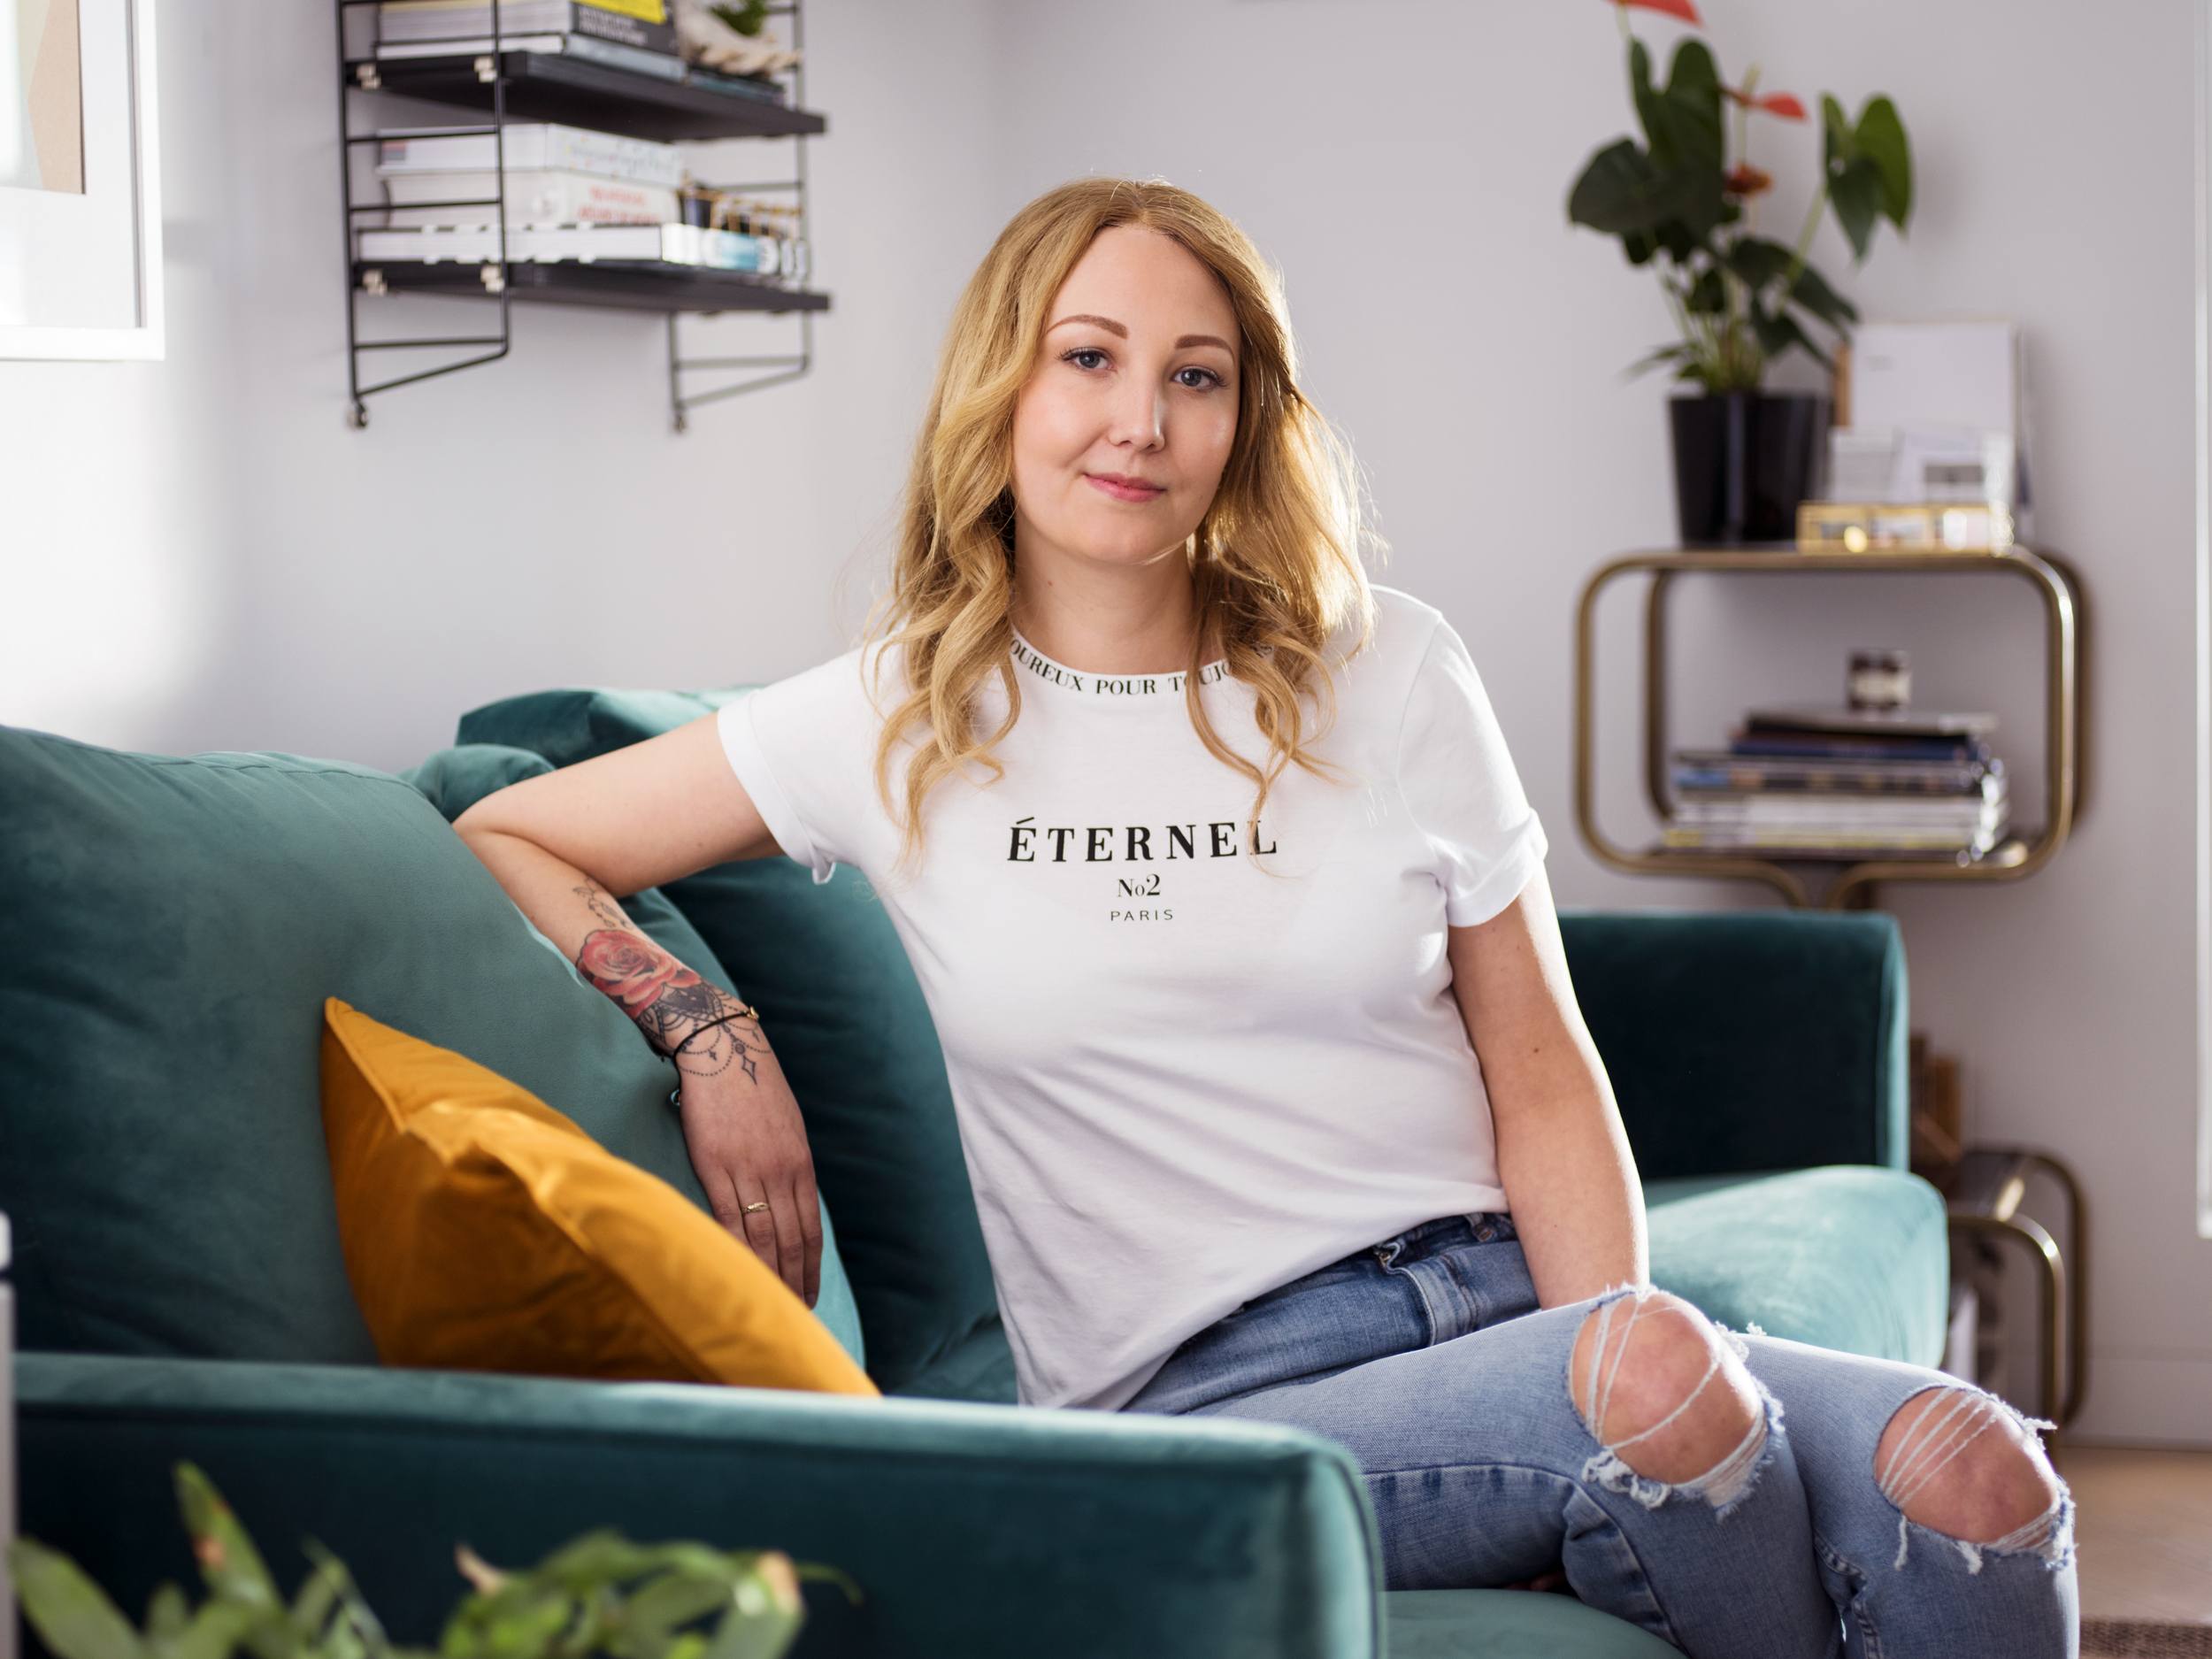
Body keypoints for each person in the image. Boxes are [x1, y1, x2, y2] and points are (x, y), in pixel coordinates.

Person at [453, 176, 2079, 1657]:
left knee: (1979, 1472)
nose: (1139, 420)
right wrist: (709, 1029)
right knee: (1660, 1385)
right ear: (1000, 390)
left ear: (1246, 421)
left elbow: (1540, 1062)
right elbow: (508, 828)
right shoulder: (891, 717)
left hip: (1505, 1315)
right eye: (1088, 359)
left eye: (1196, 375)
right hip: (1207, 1399)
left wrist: (1608, 1355)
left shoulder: (1394, 668)